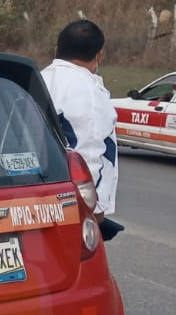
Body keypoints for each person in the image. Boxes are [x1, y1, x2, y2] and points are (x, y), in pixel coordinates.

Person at [40, 19, 123, 241]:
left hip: (37, 197)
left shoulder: (38, 79)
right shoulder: (89, 93)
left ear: (57, 49)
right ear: (99, 55)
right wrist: (93, 209)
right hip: (72, 209)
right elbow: (90, 154)